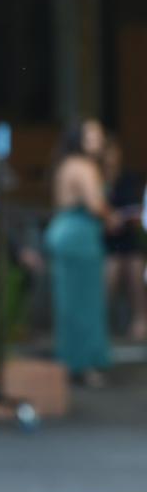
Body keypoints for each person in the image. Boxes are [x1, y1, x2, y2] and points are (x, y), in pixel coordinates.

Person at [45, 119, 117, 386]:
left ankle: (71, 362)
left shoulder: (67, 164)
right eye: (92, 136)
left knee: (70, 303)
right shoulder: (84, 166)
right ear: (79, 139)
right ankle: (85, 365)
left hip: (66, 232)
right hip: (79, 236)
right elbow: (96, 204)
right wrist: (112, 218)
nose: (98, 140)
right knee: (85, 304)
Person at [102, 136, 146, 340]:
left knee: (136, 269)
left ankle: (140, 319)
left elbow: (137, 207)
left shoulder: (128, 178)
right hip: (105, 240)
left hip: (128, 238)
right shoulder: (96, 178)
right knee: (111, 271)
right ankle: (101, 323)